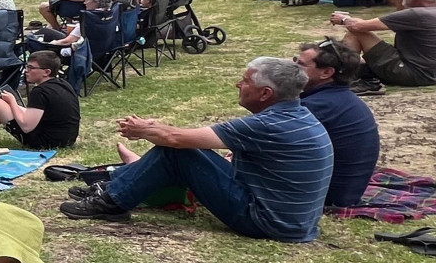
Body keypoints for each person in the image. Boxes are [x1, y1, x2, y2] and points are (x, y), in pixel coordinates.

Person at [62, 57, 334, 241]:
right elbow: (187, 138)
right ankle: (112, 190)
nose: (238, 85)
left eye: (245, 81)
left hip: (269, 222)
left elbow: (177, 140)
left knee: (175, 152)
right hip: (297, 222)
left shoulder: (267, 124)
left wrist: (144, 131)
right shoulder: (297, 116)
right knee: (182, 150)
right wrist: (158, 130)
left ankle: (111, 202)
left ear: (265, 94)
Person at [333, 0, 436, 88]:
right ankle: (357, 74)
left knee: (356, 33)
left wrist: (344, 19)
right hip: (431, 75)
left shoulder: (418, 14)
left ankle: (345, 77)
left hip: (411, 74)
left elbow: (358, 26)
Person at [295, 41, 381, 209]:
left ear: (326, 73)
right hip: (348, 190)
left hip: (328, 196)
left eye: (300, 65)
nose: (292, 68)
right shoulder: (340, 98)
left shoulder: (316, 106)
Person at [0, 51, 81, 150]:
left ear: (47, 72)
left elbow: (26, 127)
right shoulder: (64, 84)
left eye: (31, 68)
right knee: (2, 106)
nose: (26, 71)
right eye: (27, 67)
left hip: (45, 142)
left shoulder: (40, 92)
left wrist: (12, 101)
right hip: (67, 139)